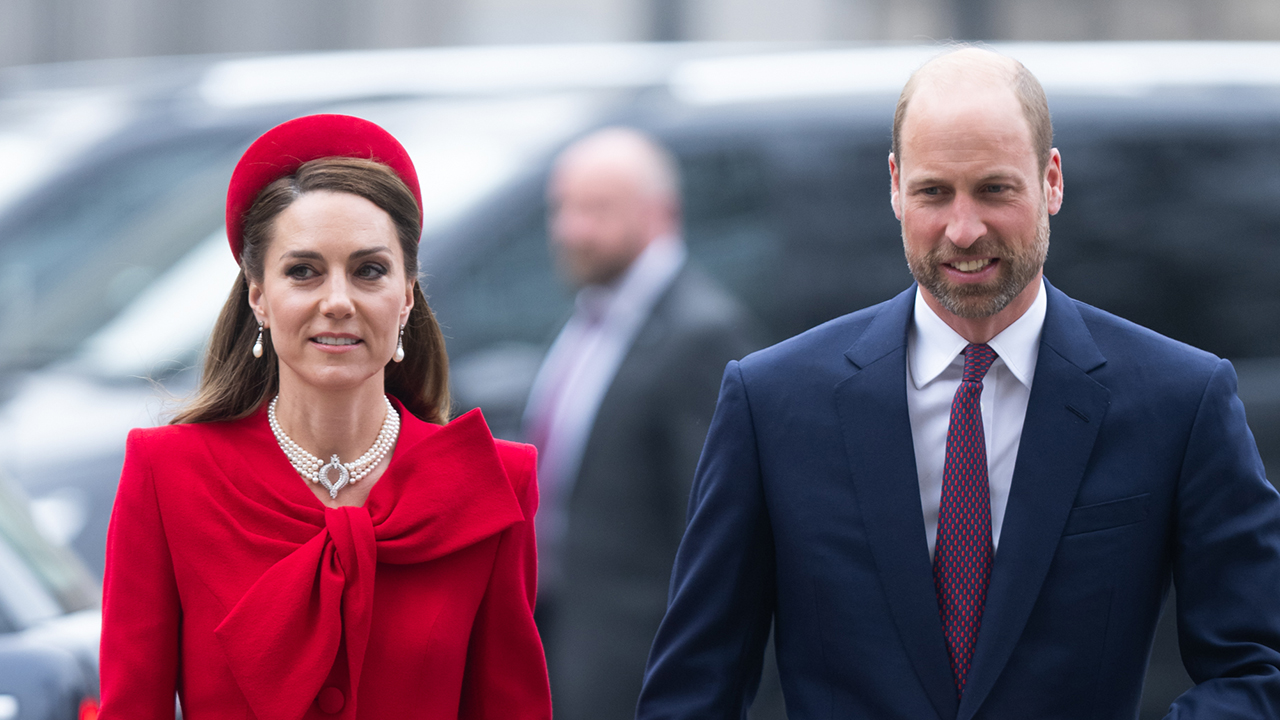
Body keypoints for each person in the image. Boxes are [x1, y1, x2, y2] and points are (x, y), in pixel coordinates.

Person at [637, 47, 1280, 719]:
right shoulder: (772, 405)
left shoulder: (1179, 400)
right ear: (894, 186)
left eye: (995, 189)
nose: (964, 229)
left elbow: (1257, 668)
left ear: (1051, 181)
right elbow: (693, 690)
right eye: (933, 192)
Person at [98, 114, 551, 720]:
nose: (337, 301)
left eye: (369, 270)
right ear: (258, 294)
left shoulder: (489, 485)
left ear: (408, 293)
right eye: (303, 271)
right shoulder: (167, 474)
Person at [522, 127, 759, 720]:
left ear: (660, 213)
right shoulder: (593, 316)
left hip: (640, 670)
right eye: (563, 208)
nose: (570, 229)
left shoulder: (701, 334)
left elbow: (717, 535)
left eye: (596, 210)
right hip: (566, 650)